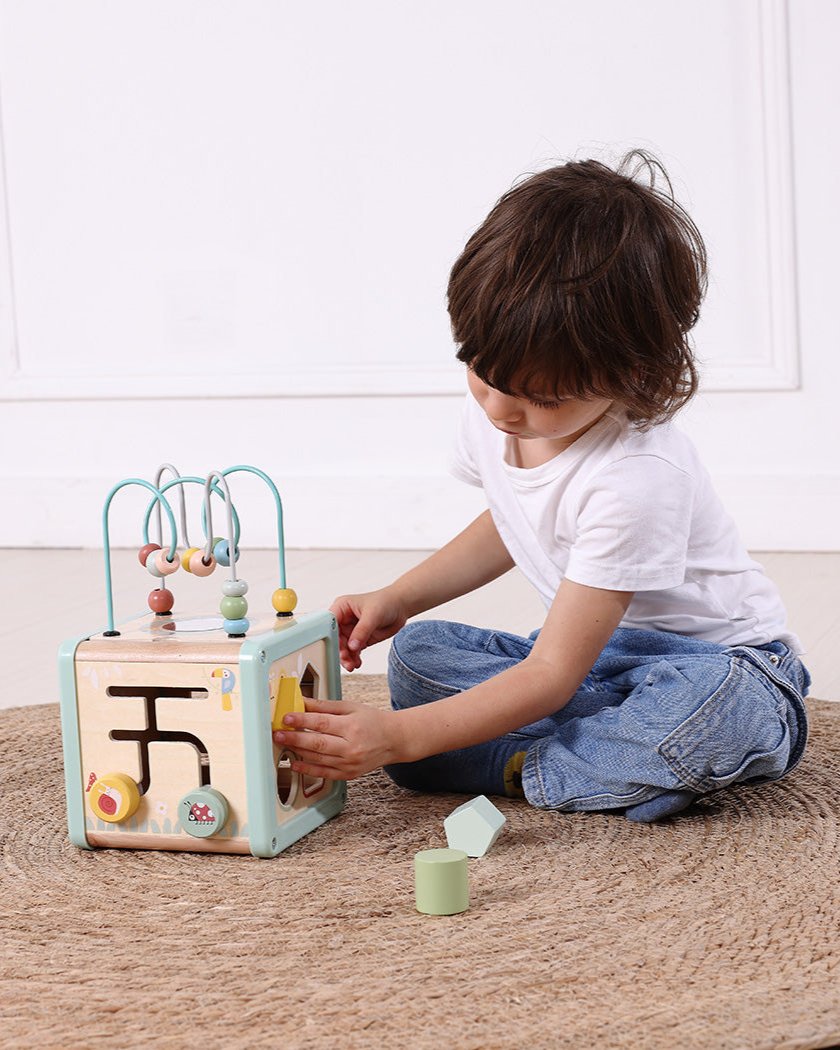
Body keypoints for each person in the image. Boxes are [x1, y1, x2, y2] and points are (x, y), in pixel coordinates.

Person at [272, 150, 810, 822]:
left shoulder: (637, 478)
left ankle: (524, 763)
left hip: (716, 666)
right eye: (481, 371)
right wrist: (399, 596)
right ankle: (611, 763)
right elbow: (511, 519)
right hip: (598, 665)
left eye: (542, 397)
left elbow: (552, 675)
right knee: (418, 656)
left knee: (718, 710)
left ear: (635, 376)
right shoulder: (498, 412)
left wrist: (401, 738)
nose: (501, 410)